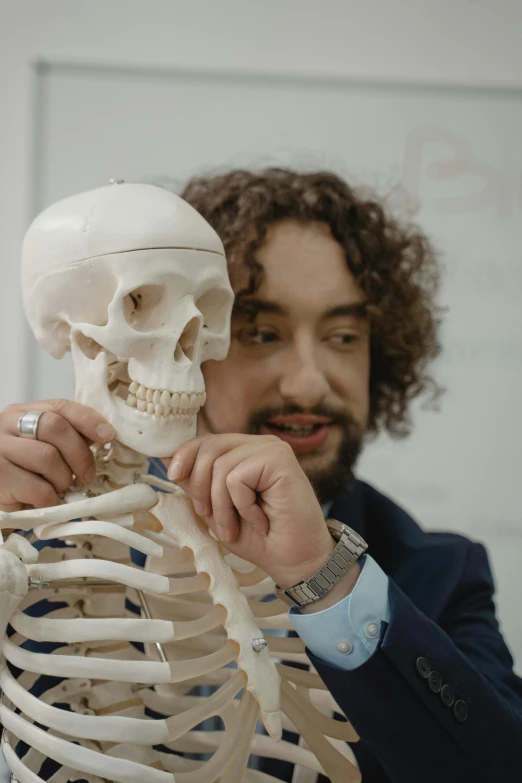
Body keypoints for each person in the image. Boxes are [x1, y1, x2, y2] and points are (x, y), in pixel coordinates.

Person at [1, 168, 521, 782]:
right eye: (262, 331)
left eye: (344, 335)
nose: (307, 382)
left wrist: (325, 578)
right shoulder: (40, 547)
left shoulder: (442, 574)